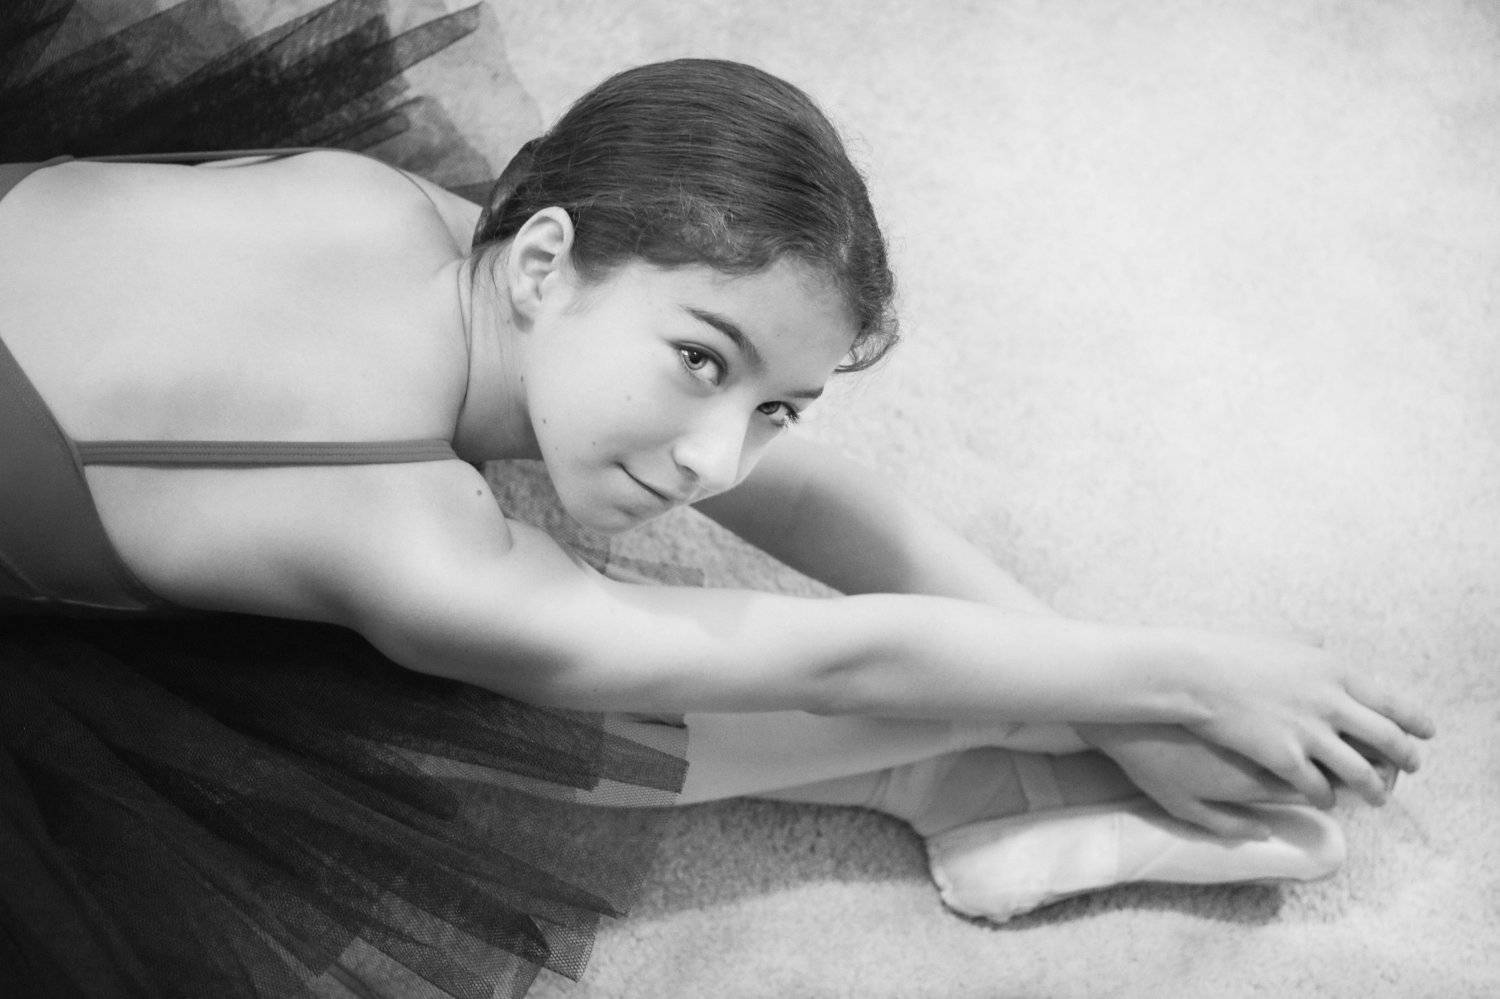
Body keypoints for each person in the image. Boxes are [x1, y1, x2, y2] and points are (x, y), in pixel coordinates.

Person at [1, 7, 1434, 998]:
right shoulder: (396, 533)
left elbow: (809, 500)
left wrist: (1112, 694)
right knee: (473, 714)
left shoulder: (390, 212)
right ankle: (944, 779)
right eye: (700, 360)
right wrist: (1176, 676)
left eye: (771, 404)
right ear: (545, 260)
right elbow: (813, 653)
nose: (713, 460)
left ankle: (993, 774)